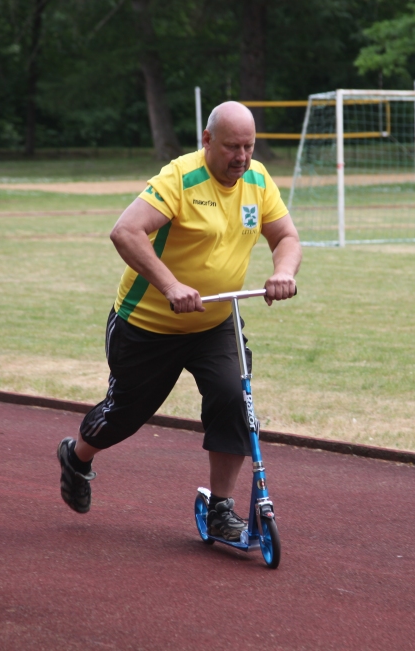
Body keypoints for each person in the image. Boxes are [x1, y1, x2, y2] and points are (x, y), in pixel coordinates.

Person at [56, 101, 302, 541]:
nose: (242, 157)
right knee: (125, 415)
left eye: (248, 146)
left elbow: (285, 236)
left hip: (214, 324)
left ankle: (221, 509)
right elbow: (125, 231)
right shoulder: (180, 179)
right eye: (232, 147)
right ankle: (77, 456)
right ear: (207, 140)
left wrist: (283, 272)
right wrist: (170, 286)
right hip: (148, 326)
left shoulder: (258, 180)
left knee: (233, 398)